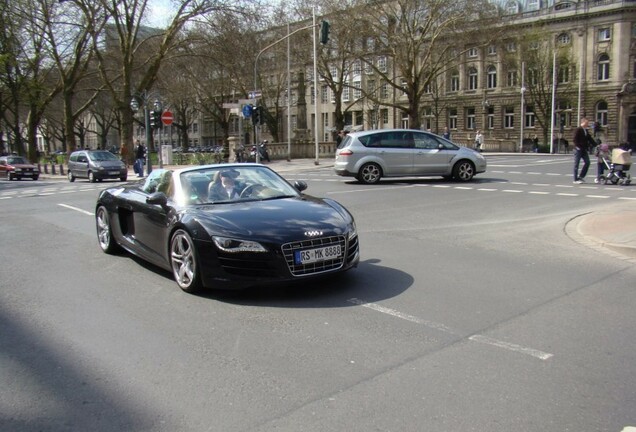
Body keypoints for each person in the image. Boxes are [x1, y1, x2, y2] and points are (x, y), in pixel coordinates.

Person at [572, 117, 596, 183]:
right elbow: (574, 139)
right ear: (583, 122)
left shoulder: (585, 130)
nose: (588, 124)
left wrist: (596, 145)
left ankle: (581, 177)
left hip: (584, 149)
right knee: (576, 164)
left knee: (587, 162)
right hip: (578, 149)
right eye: (587, 122)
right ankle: (575, 179)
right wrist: (577, 146)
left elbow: (590, 139)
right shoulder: (578, 129)